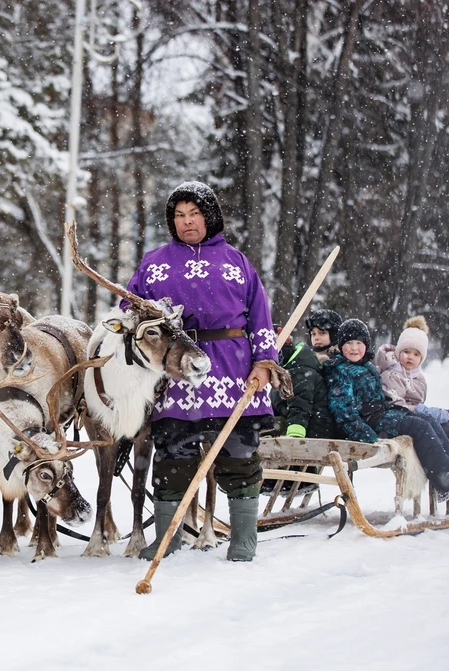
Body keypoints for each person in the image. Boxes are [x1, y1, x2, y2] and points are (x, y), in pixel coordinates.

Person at [126, 181, 277, 562]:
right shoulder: (154, 263)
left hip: (231, 368)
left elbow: (260, 317)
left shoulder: (237, 262)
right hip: (174, 372)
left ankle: (243, 538)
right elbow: (129, 313)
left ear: (208, 217)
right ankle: (167, 538)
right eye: (179, 215)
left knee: (239, 455)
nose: (186, 222)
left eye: (193, 214)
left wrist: (264, 362)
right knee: (172, 455)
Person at [324, 318, 449, 503]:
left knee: (426, 420)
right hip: (368, 423)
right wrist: (367, 436)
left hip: (381, 414)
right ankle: (443, 481)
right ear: (341, 346)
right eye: (348, 343)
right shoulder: (340, 370)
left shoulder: (366, 366)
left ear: (366, 345)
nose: (354, 348)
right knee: (419, 426)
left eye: (359, 343)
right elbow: (343, 410)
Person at [375, 316, 449, 475]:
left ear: (421, 358)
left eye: (416, 354)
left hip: (414, 415)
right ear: (398, 353)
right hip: (399, 419)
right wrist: (421, 410)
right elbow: (395, 404)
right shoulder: (392, 374)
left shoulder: (417, 377)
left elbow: (417, 402)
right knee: (433, 420)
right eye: (406, 352)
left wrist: (428, 411)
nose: (410, 357)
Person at [263, 326, 336, 496]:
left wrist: (294, 440)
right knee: (268, 426)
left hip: (315, 427)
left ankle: (299, 477)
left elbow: (300, 407)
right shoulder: (285, 370)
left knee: (275, 428)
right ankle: (273, 477)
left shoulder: (300, 370)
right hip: (302, 422)